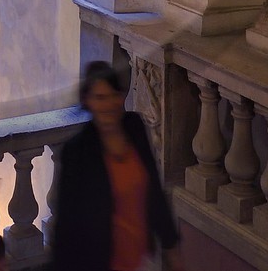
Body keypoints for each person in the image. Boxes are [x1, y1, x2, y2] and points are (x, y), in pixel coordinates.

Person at [49, 61, 184, 271]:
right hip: (100, 263)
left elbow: (154, 192)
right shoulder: (77, 151)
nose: (109, 104)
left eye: (113, 95)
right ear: (88, 101)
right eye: (100, 98)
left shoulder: (135, 128)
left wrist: (171, 246)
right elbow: (67, 222)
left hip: (140, 259)